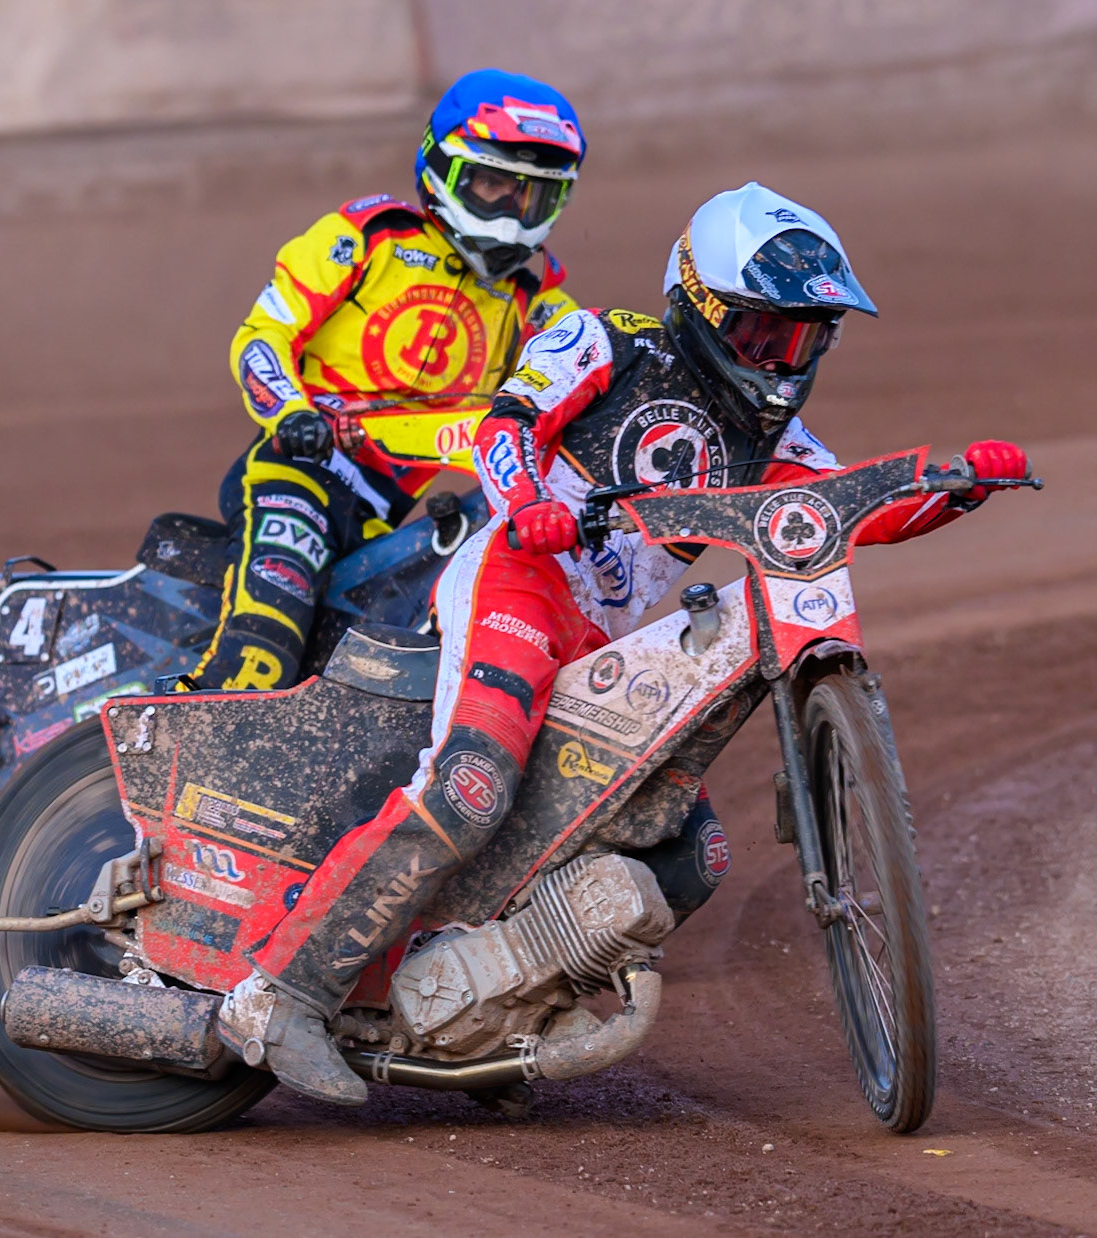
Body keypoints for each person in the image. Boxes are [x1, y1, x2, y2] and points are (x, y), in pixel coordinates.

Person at [216, 182, 1033, 1104]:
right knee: (472, 785)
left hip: (606, 641)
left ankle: (495, 1006)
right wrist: (528, 506)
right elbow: (505, 425)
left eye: (805, 337)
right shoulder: (605, 341)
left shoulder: (773, 437)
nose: (784, 358)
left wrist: (955, 484)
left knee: (686, 853)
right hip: (520, 581)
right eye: (766, 333)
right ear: (704, 305)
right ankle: (278, 993)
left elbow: (839, 509)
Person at [190, 69, 587, 690]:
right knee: (267, 640)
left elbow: (591, 369)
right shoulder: (367, 238)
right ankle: (194, 736)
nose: (512, 216)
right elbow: (262, 335)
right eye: (492, 184)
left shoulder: (537, 301)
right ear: (443, 168)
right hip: (300, 475)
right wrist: (291, 412)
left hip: (394, 522)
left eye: (530, 195)